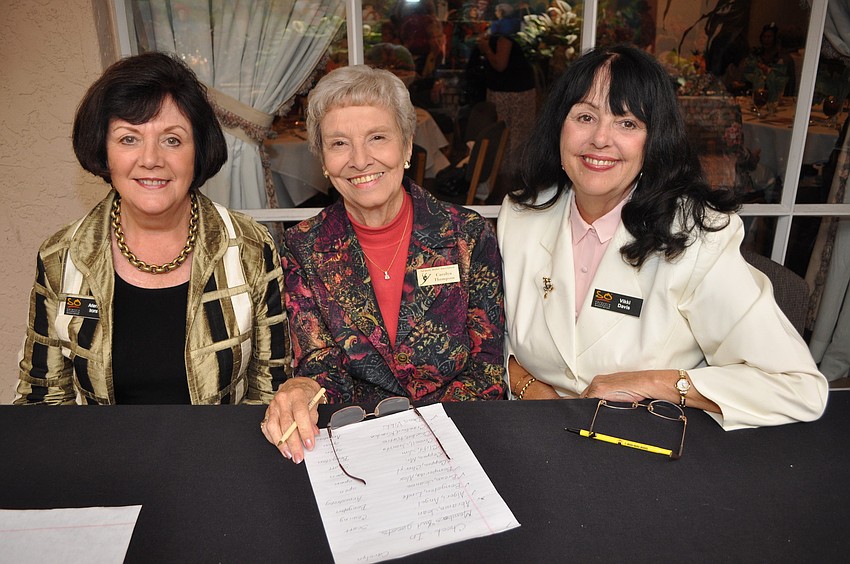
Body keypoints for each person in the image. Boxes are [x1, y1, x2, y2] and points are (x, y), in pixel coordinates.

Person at [497, 45, 828, 430]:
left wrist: (656, 382)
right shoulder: (521, 216)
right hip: (537, 432)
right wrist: (530, 388)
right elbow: (493, 334)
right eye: (585, 116)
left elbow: (798, 388)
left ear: (654, 140)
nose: (600, 139)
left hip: (646, 444)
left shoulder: (697, 235)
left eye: (627, 123)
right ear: (559, 126)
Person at [15, 52, 290, 405]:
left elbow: (271, 394)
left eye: (172, 140)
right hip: (101, 456)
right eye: (129, 138)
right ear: (104, 150)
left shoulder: (250, 247)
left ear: (198, 151)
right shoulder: (62, 256)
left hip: (217, 453)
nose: (150, 159)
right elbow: (44, 398)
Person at [262, 65, 506, 462]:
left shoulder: (467, 235)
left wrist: (421, 439)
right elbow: (321, 365)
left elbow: (487, 371)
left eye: (377, 138)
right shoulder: (303, 246)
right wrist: (305, 390)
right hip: (357, 446)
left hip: (458, 439)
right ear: (323, 159)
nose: (360, 160)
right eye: (339, 144)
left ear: (407, 147)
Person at [474, 8, 536, 190]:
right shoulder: (505, 36)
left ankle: (509, 180)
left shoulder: (504, 39)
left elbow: (500, 65)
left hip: (514, 94)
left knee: (512, 134)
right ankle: (502, 176)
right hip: (507, 92)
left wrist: (486, 49)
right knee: (506, 133)